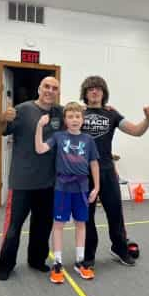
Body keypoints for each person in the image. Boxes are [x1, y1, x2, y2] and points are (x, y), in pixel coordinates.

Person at [80, 76, 149, 267]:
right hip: (82, 173)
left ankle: (120, 249)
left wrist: (148, 119)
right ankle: (89, 255)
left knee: (115, 213)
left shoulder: (112, 114)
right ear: (85, 93)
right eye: (91, 89)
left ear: (104, 93)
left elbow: (136, 131)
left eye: (98, 89)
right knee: (86, 217)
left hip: (106, 170)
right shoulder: (77, 113)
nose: (95, 92)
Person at [0, 76, 63, 280]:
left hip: (49, 182)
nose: (50, 90)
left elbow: (78, 120)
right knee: (14, 227)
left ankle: (36, 260)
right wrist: (1, 118)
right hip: (22, 182)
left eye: (54, 88)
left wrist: (101, 108)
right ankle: (5, 265)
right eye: (46, 87)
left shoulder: (60, 112)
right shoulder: (22, 109)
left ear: (58, 91)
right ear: (39, 89)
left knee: (42, 227)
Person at [35, 102, 100, 283]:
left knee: (81, 224)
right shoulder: (58, 136)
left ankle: (80, 261)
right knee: (58, 224)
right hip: (62, 188)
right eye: (70, 117)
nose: (74, 120)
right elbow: (39, 149)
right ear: (65, 119)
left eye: (77, 116)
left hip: (82, 188)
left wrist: (97, 187)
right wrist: (40, 126)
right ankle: (58, 262)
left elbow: (94, 163)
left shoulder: (88, 140)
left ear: (82, 119)